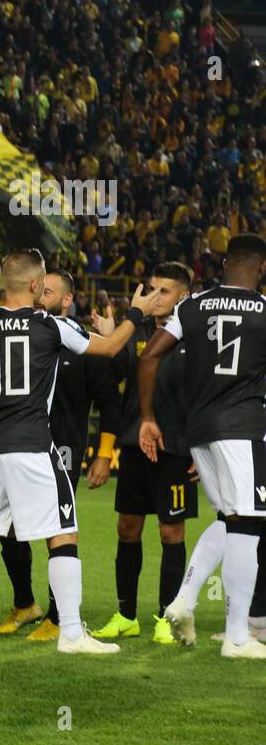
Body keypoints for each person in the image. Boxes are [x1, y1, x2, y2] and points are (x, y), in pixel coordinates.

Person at [0, 249, 155, 654]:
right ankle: (72, 633)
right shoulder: (51, 326)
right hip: (33, 444)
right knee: (63, 532)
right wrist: (137, 313)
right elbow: (110, 349)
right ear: (37, 285)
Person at [140, 234, 266, 658]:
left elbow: (149, 357)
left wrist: (148, 417)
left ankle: (184, 598)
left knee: (232, 520)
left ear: (226, 263)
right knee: (248, 526)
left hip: (199, 433)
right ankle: (236, 638)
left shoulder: (193, 306)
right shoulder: (265, 311)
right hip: (245, 429)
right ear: (261, 268)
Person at [0, 268, 122, 642]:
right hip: (18, 445)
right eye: (39, 289)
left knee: (56, 528)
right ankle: (25, 603)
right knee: (9, 527)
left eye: (49, 292)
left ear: (68, 300)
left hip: (63, 446)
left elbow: (109, 402)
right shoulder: (25, 333)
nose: (40, 295)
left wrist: (104, 454)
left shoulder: (81, 343)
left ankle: (57, 615)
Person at [90, 263, 195, 645]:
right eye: (151, 289)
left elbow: (202, 393)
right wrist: (112, 337)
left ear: (183, 296)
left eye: (163, 291)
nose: (154, 297)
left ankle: (166, 617)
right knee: (127, 529)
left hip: (175, 447)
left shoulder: (195, 333)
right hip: (135, 443)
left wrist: (198, 446)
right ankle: (126, 614)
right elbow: (118, 377)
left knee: (171, 532)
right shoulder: (137, 331)